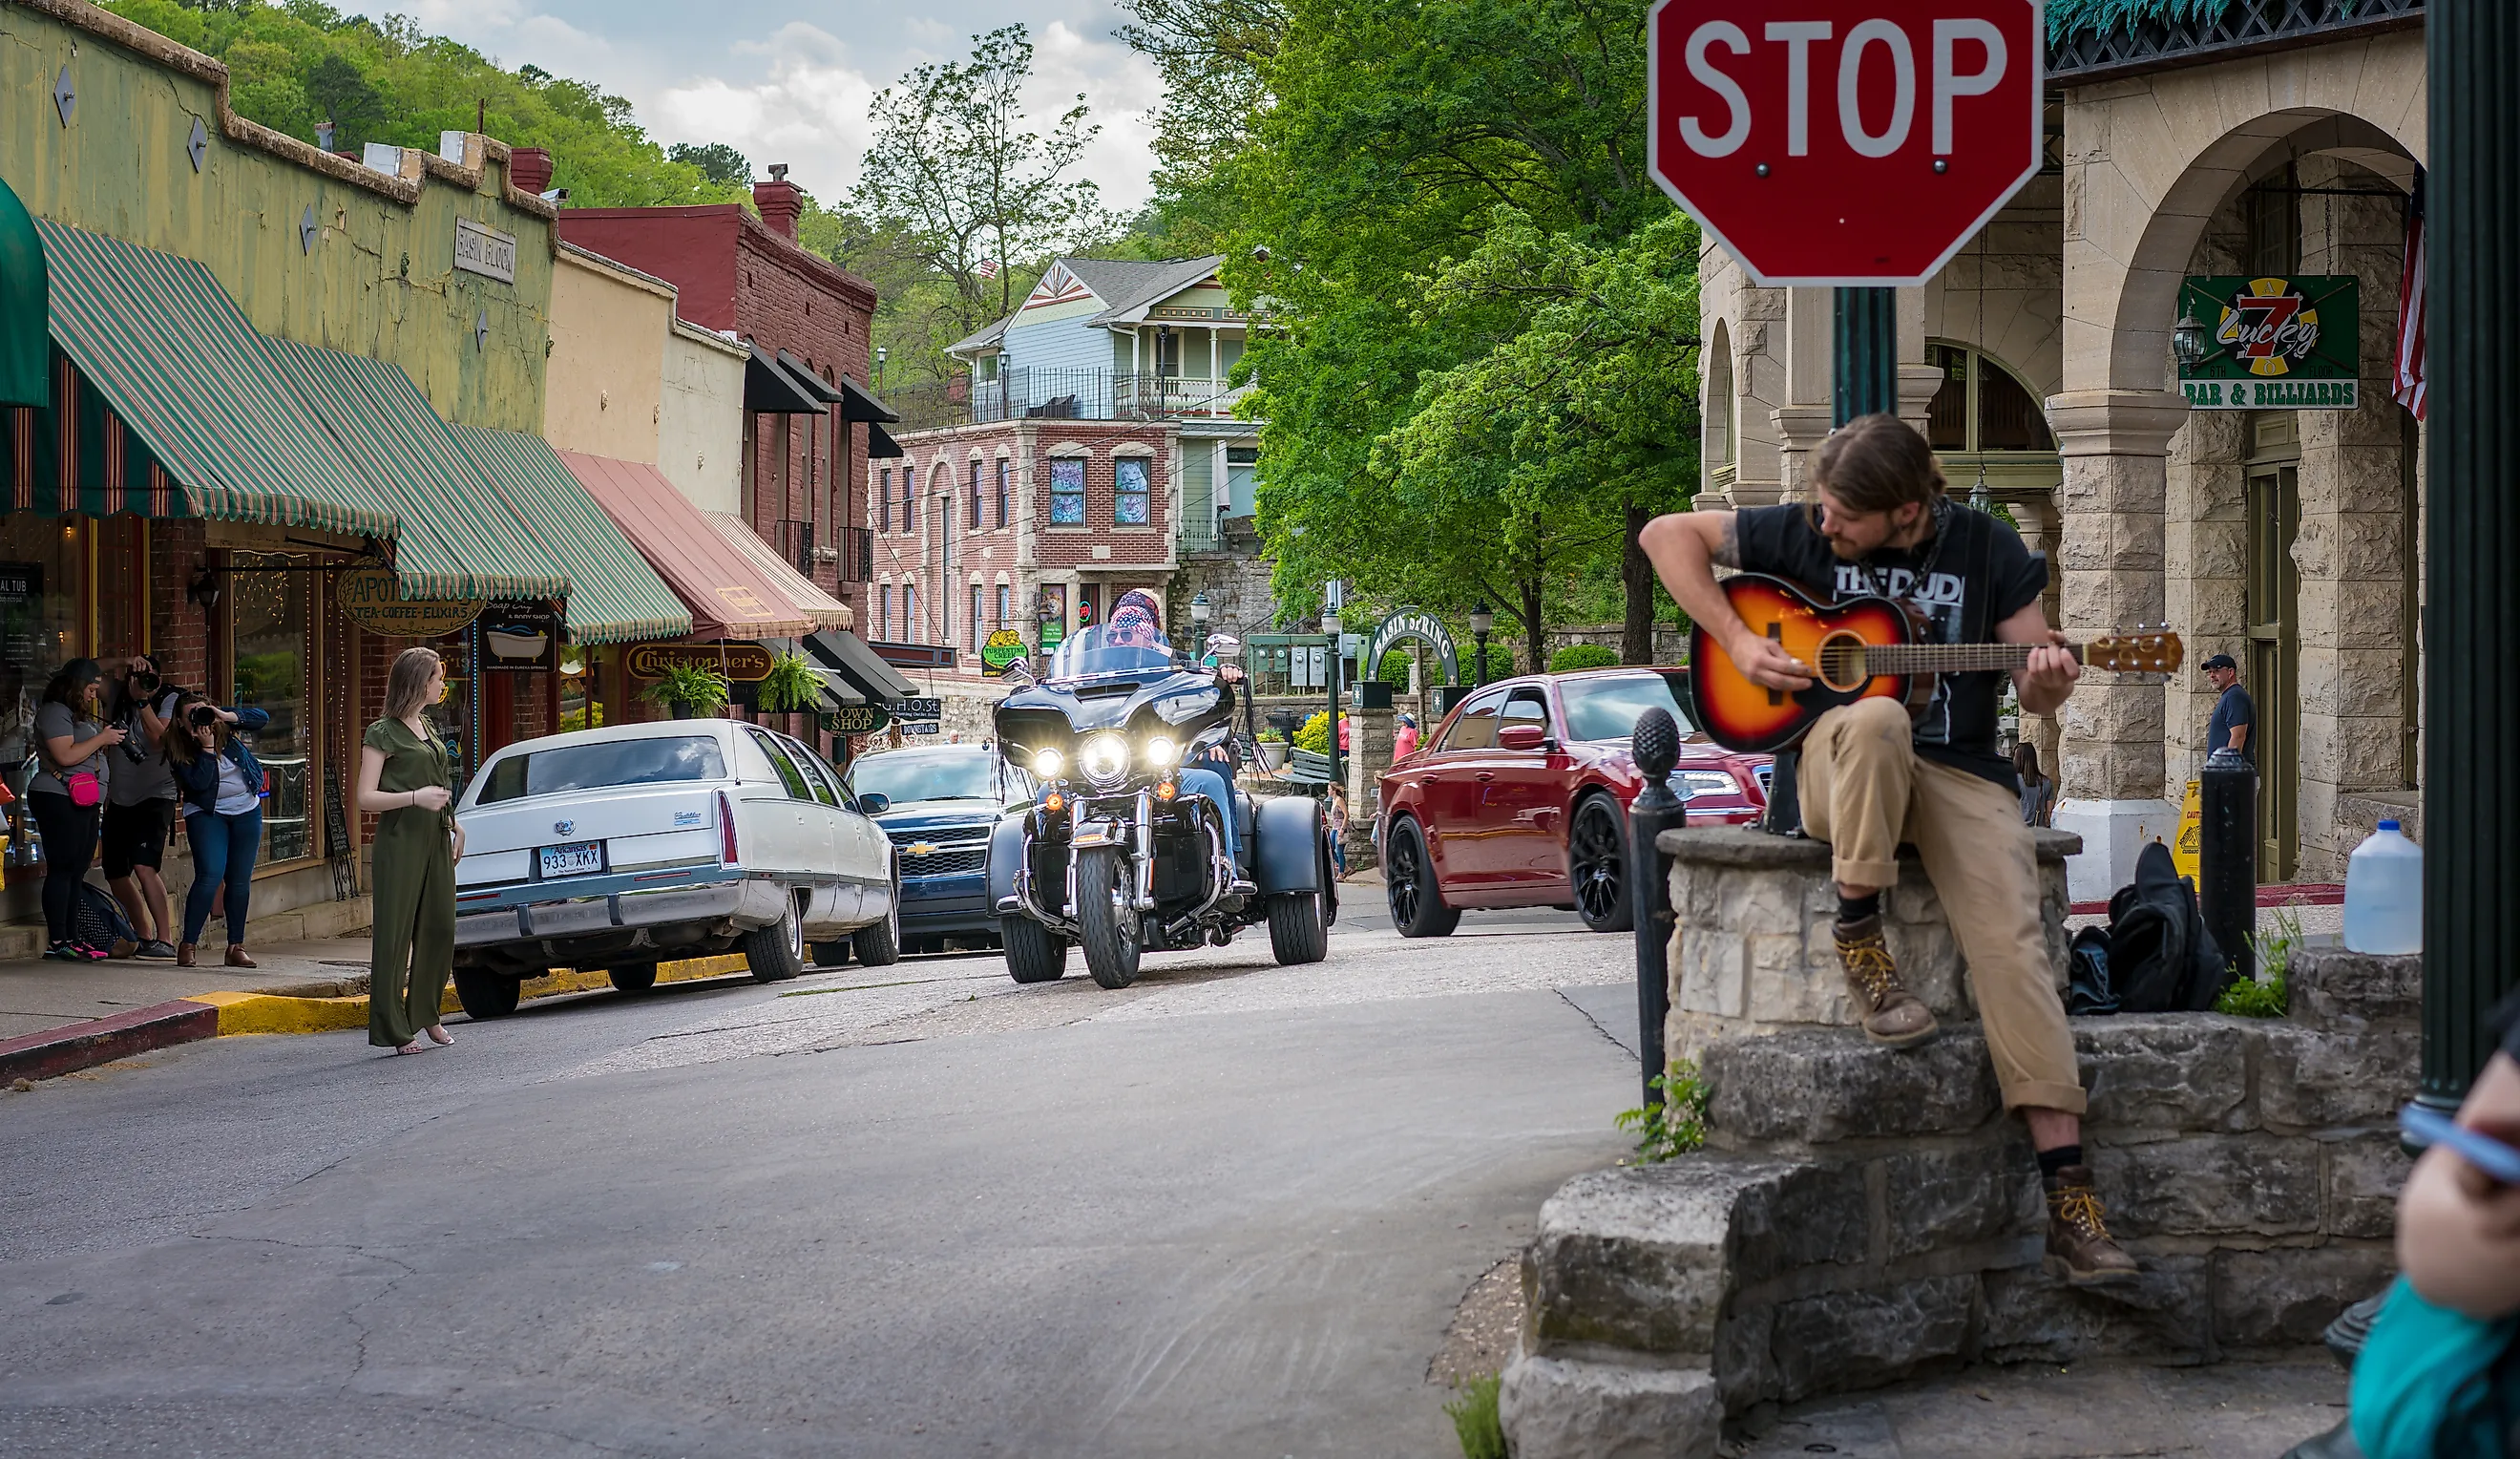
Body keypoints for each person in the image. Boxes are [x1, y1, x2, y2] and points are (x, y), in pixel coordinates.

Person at [1641, 412, 2137, 1285]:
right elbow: (1664, 534)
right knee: (1873, 716)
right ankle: (1858, 928)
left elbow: (2033, 672)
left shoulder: (1986, 548)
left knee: (2015, 946)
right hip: (1846, 767)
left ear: (1906, 511)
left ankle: (2070, 1200)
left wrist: (2048, 681)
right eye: (1823, 511)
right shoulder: (1804, 529)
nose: (1824, 527)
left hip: (1960, 775)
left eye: (1844, 517)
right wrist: (1737, 638)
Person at [359, 647, 461, 1055]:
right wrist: (414, 797)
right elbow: (366, 797)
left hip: (436, 837)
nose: (442, 684)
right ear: (419, 681)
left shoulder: (429, 727)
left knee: (440, 927)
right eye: (438, 677)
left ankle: (426, 1014)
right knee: (395, 935)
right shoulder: (382, 732)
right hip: (400, 842)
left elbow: (438, 782)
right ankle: (394, 1029)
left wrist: (455, 824)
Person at [162, 693, 269, 968]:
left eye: (202, 711)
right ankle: (188, 945)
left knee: (239, 879)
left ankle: (236, 946)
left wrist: (223, 715)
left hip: (246, 810)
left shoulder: (222, 725)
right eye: (191, 715)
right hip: (207, 813)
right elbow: (198, 785)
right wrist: (207, 749)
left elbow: (262, 718)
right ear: (179, 721)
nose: (199, 719)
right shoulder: (177, 747)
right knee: (210, 874)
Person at [30, 659, 125, 962]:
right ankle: (58, 941)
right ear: (76, 685)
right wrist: (102, 738)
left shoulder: (77, 715)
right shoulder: (54, 711)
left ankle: (72, 938)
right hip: (57, 796)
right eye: (90, 688)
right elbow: (65, 755)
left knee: (76, 870)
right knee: (62, 867)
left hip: (83, 799)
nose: (93, 695)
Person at [101, 654, 183, 960]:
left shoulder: (169, 697)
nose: (142, 680)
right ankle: (143, 936)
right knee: (115, 871)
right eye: (137, 675)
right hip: (120, 797)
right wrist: (123, 661)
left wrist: (142, 699)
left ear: (159, 678)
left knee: (144, 865)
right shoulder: (117, 692)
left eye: (149, 675)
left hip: (156, 794)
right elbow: (80, 671)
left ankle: (165, 939)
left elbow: (160, 737)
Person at [2202, 653, 2254, 763]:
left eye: (2216, 671)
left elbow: (2238, 736)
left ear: (2230, 672)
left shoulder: (2234, 697)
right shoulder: (2230, 696)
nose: (2212, 675)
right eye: (2210, 672)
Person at [2015, 741, 2055, 829]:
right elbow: (2049, 812)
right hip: (2038, 832)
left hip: (2017, 831)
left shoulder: (2012, 780)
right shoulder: (2046, 782)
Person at [1325, 784, 1350, 878]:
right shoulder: (1333, 800)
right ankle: (1345, 867)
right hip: (1334, 827)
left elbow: (1346, 814)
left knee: (1339, 851)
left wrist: (1342, 829)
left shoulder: (1339, 800)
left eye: (1329, 789)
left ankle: (1341, 873)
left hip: (1341, 827)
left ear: (1334, 790)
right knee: (1330, 849)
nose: (1327, 791)